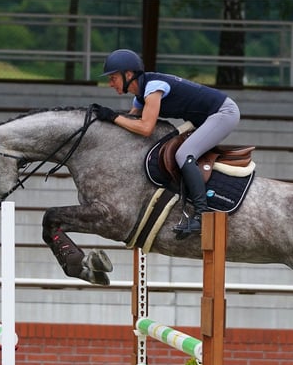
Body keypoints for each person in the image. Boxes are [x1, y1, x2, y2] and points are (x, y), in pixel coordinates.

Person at [93, 48, 240, 239]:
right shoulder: (140, 97)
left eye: (113, 78)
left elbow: (145, 128)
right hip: (203, 117)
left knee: (183, 154)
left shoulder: (153, 87)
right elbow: (130, 122)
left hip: (223, 113)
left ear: (128, 74)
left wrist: (112, 117)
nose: (110, 83)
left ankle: (202, 214)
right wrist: (103, 122)